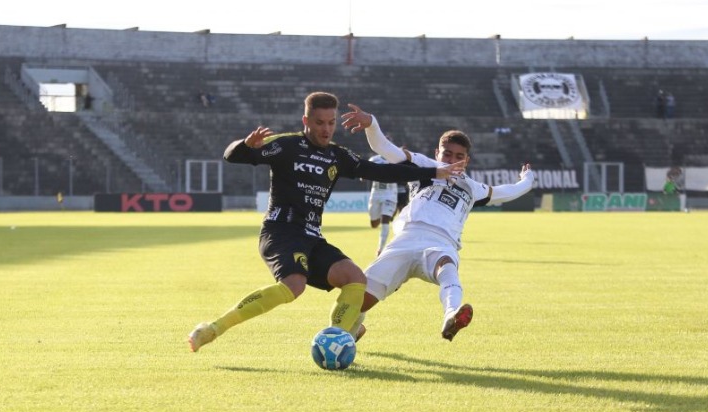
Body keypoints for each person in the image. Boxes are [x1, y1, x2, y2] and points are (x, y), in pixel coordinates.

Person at [188, 91, 463, 352]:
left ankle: (340, 337)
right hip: (281, 231)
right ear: (306, 121)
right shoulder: (286, 145)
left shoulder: (337, 155)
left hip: (312, 237)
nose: (326, 129)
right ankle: (212, 329)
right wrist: (245, 145)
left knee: (355, 278)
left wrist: (433, 172)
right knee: (294, 286)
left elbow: (379, 170)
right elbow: (233, 156)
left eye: (331, 123)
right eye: (319, 123)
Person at [341, 104, 534, 342]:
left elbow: (508, 191)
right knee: (358, 300)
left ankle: (452, 315)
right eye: (447, 154)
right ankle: (354, 328)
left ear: (467, 160)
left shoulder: (472, 188)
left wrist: (528, 180)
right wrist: (371, 124)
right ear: (437, 153)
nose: (452, 160)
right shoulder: (423, 166)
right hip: (405, 240)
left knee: (448, 268)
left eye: (459, 156)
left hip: (441, 243)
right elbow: (385, 149)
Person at [365, 155, 400, 255]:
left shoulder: (395, 158)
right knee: (374, 224)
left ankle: (380, 249)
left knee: (385, 220)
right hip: (376, 194)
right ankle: (389, 212)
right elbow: (365, 171)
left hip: (390, 194)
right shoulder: (373, 159)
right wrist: (363, 175)